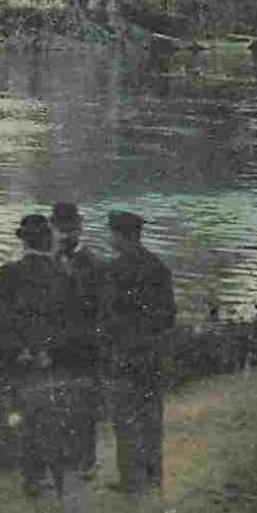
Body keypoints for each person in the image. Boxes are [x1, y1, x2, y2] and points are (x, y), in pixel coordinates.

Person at [0, 214, 91, 498]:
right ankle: (55, 475)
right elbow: (72, 322)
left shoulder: (9, 272)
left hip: (20, 359)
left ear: (23, 243)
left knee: (27, 415)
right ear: (48, 243)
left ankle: (32, 477)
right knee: (55, 415)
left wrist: (21, 349)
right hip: (52, 359)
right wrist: (46, 351)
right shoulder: (64, 276)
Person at [101, 210, 176, 493]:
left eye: (112, 233)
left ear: (120, 236)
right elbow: (168, 316)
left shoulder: (115, 270)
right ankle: (153, 476)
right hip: (152, 355)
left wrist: (114, 344)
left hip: (125, 356)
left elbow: (107, 316)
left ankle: (130, 479)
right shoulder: (158, 267)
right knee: (150, 416)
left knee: (124, 418)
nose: (110, 238)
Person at [52, 202, 106, 478]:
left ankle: (86, 461)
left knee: (84, 403)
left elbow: (96, 304)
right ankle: (64, 457)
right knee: (59, 400)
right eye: (60, 230)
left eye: (68, 230)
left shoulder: (91, 262)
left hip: (84, 344)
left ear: (78, 229)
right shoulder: (50, 260)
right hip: (58, 344)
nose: (63, 235)